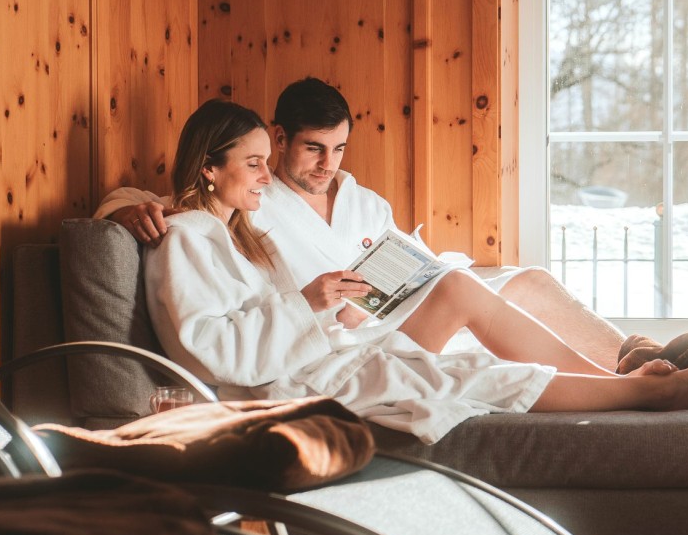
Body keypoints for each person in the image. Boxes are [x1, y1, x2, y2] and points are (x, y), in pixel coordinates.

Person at [144, 99, 688, 442]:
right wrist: (313, 302)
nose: (267, 177)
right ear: (210, 169)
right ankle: (646, 393)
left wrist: (324, 305)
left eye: (266, 166)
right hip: (286, 379)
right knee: (462, 375)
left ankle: (629, 384)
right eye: (254, 164)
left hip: (329, 344)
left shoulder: (236, 230)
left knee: (465, 352)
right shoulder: (187, 237)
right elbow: (210, 348)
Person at [97, 78, 626, 370]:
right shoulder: (251, 196)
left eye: (339, 149)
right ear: (279, 139)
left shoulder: (361, 201)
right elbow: (170, 197)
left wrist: (410, 279)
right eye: (313, 149)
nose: (328, 165)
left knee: (526, 279)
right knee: (466, 292)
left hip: (398, 315)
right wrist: (121, 211)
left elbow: (407, 264)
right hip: (347, 340)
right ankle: (624, 383)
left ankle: (634, 357)